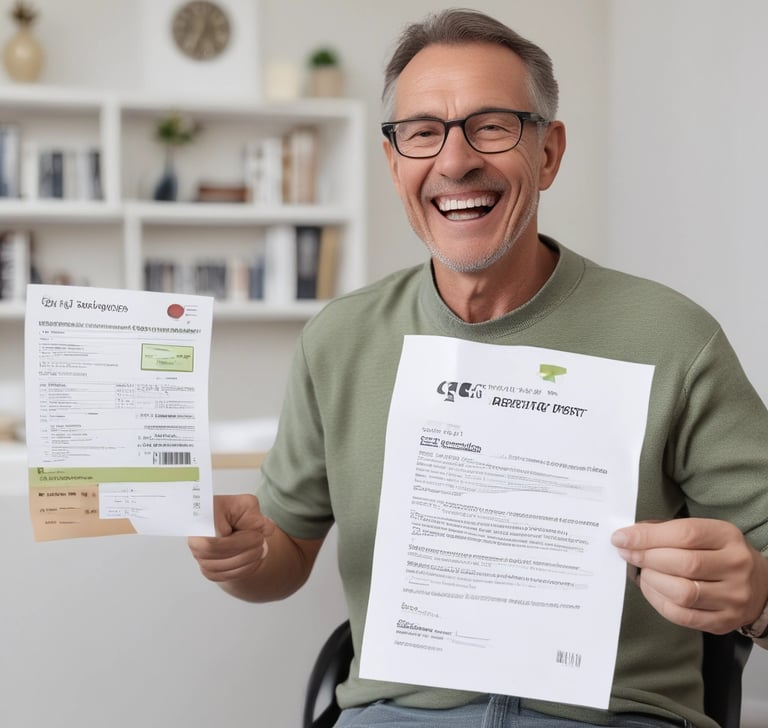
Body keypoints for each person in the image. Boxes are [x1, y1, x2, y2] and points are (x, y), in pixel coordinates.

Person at [188, 8, 768, 727]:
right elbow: (284, 556)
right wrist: (243, 556)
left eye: (491, 126)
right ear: (394, 162)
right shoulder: (338, 341)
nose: (455, 160)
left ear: (548, 153)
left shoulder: (673, 337)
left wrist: (757, 590)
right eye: (421, 132)